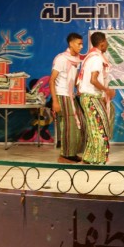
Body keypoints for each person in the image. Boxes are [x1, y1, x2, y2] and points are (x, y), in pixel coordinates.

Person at [78, 32, 115, 164]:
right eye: (106, 42)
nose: (108, 44)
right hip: (91, 97)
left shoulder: (90, 57)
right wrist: (107, 90)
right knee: (101, 129)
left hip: (88, 97)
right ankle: (98, 160)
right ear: (102, 43)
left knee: (94, 128)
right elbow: (93, 80)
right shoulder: (97, 59)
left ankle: (88, 158)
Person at [49, 32, 85, 163]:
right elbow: (52, 80)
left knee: (79, 123)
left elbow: (74, 79)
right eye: (79, 44)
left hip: (71, 95)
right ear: (71, 43)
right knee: (69, 126)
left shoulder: (76, 59)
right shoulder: (61, 59)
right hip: (62, 95)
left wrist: (79, 89)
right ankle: (64, 156)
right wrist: (55, 101)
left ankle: (72, 153)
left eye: (82, 44)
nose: (81, 46)